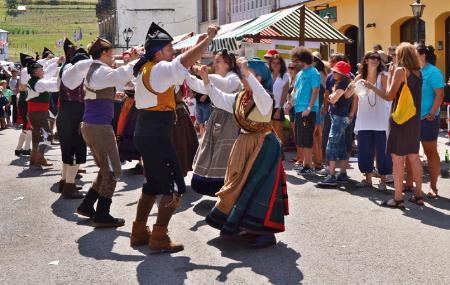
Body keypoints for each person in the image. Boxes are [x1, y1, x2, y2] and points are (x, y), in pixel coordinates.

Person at [129, 23, 219, 253]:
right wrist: (207, 40)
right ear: (159, 52)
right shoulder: (157, 69)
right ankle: (159, 236)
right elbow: (183, 62)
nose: (172, 53)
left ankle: (139, 231)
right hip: (156, 135)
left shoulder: (146, 68)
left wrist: (200, 43)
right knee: (174, 185)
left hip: (148, 132)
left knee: (152, 184)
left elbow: (180, 68)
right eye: (169, 49)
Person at [200, 57, 288, 247]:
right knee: (239, 184)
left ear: (260, 78)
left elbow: (258, 91)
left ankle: (265, 233)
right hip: (244, 144)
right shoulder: (241, 97)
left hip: (263, 146)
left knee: (258, 187)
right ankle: (240, 224)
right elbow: (219, 99)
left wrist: (245, 70)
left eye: (248, 75)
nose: (243, 78)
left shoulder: (265, 98)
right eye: (243, 75)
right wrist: (205, 79)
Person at [75, 38, 139, 227]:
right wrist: (137, 60)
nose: (113, 57)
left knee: (105, 170)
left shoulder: (95, 71)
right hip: (99, 127)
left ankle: (87, 206)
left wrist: (113, 95)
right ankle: (103, 214)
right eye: (110, 53)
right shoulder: (100, 71)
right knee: (113, 171)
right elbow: (120, 75)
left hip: (93, 126)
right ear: (103, 54)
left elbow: (113, 85)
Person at [186, 49, 242, 196]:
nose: (215, 64)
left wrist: (204, 75)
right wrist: (186, 72)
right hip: (218, 117)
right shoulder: (219, 78)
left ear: (228, 63)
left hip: (231, 120)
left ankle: (228, 189)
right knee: (214, 152)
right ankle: (216, 187)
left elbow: (224, 85)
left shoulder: (233, 78)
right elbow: (199, 86)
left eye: (218, 61)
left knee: (225, 153)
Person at [378, 43, 423, 209]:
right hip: (414, 120)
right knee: (413, 156)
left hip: (400, 120)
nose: (393, 57)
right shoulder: (419, 73)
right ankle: (418, 195)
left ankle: (397, 198)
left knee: (397, 159)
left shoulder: (400, 71)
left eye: (395, 55)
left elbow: (389, 96)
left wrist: (389, 76)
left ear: (401, 55)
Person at [405, 44, 444, 198]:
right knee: (409, 152)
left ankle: (433, 187)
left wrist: (432, 113)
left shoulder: (433, 72)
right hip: (411, 118)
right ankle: (409, 183)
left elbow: (439, 95)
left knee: (430, 152)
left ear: (423, 55)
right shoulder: (412, 70)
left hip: (427, 119)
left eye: (414, 53)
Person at [350, 52, 392, 190]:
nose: (375, 60)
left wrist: (372, 87)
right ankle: (367, 179)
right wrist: (352, 114)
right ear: (366, 60)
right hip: (364, 120)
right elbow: (354, 98)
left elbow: (388, 96)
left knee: (382, 151)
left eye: (378, 59)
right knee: (364, 150)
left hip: (381, 120)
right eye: (372, 58)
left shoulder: (384, 76)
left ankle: (383, 181)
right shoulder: (358, 78)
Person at [57, 45, 92, 199]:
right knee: (76, 149)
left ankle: (65, 181)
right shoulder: (75, 75)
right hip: (75, 115)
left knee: (67, 149)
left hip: (64, 113)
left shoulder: (64, 73)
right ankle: (70, 186)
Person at [318, 61, 353, 187]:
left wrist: (331, 96)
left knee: (331, 146)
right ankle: (342, 174)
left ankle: (331, 176)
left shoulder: (342, 83)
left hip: (338, 117)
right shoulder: (344, 82)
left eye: (335, 71)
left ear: (341, 74)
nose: (332, 73)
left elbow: (333, 99)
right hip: (340, 117)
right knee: (341, 146)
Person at [287, 47, 320, 175]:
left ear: (303, 59)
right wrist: (290, 103)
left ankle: (308, 166)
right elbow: (295, 90)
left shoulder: (314, 73)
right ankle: (306, 164)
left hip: (308, 110)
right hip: (298, 109)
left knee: (307, 138)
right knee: (302, 139)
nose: (295, 63)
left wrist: (309, 108)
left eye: (296, 60)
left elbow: (315, 90)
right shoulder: (300, 73)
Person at [26, 57, 63, 168]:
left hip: (36, 113)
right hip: (38, 113)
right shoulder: (38, 83)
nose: (43, 71)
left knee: (37, 136)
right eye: (41, 70)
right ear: (36, 72)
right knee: (48, 135)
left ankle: (34, 159)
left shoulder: (35, 80)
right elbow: (55, 86)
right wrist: (63, 80)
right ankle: (40, 157)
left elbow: (47, 74)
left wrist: (57, 62)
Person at [269, 53, 289, 156]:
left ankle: (280, 152)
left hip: (278, 107)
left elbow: (284, 94)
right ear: (270, 64)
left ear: (281, 64)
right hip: (267, 107)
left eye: (278, 63)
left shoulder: (285, 76)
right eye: (273, 63)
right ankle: (271, 152)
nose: (275, 65)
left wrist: (279, 108)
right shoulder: (268, 74)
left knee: (278, 131)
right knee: (268, 131)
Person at [15, 53, 34, 157]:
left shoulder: (24, 70)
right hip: (27, 99)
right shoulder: (27, 70)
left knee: (26, 124)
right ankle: (26, 148)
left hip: (24, 98)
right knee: (29, 125)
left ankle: (18, 148)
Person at [312, 54, 328, 170]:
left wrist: (323, 105)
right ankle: (318, 160)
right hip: (316, 106)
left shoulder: (321, 74)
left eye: (314, 60)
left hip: (319, 106)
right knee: (317, 134)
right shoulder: (316, 73)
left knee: (317, 134)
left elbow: (325, 92)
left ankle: (318, 160)